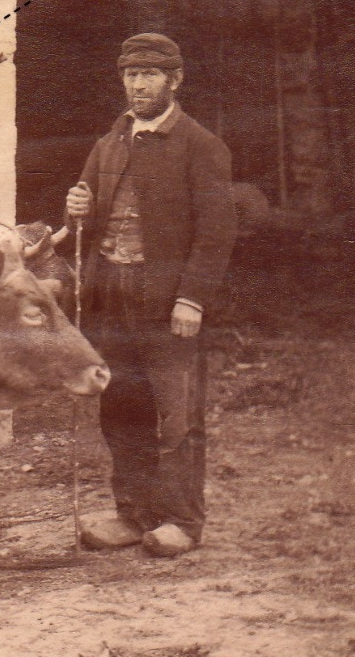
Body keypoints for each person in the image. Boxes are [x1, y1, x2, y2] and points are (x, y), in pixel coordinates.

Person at [66, 33, 237, 558]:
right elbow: (90, 224)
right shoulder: (109, 145)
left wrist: (192, 299)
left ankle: (183, 522)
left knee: (177, 417)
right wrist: (78, 210)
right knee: (121, 408)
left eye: (149, 75)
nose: (137, 85)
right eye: (130, 75)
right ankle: (133, 514)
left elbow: (216, 233)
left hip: (167, 303)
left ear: (175, 80)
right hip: (110, 299)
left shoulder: (201, 146)